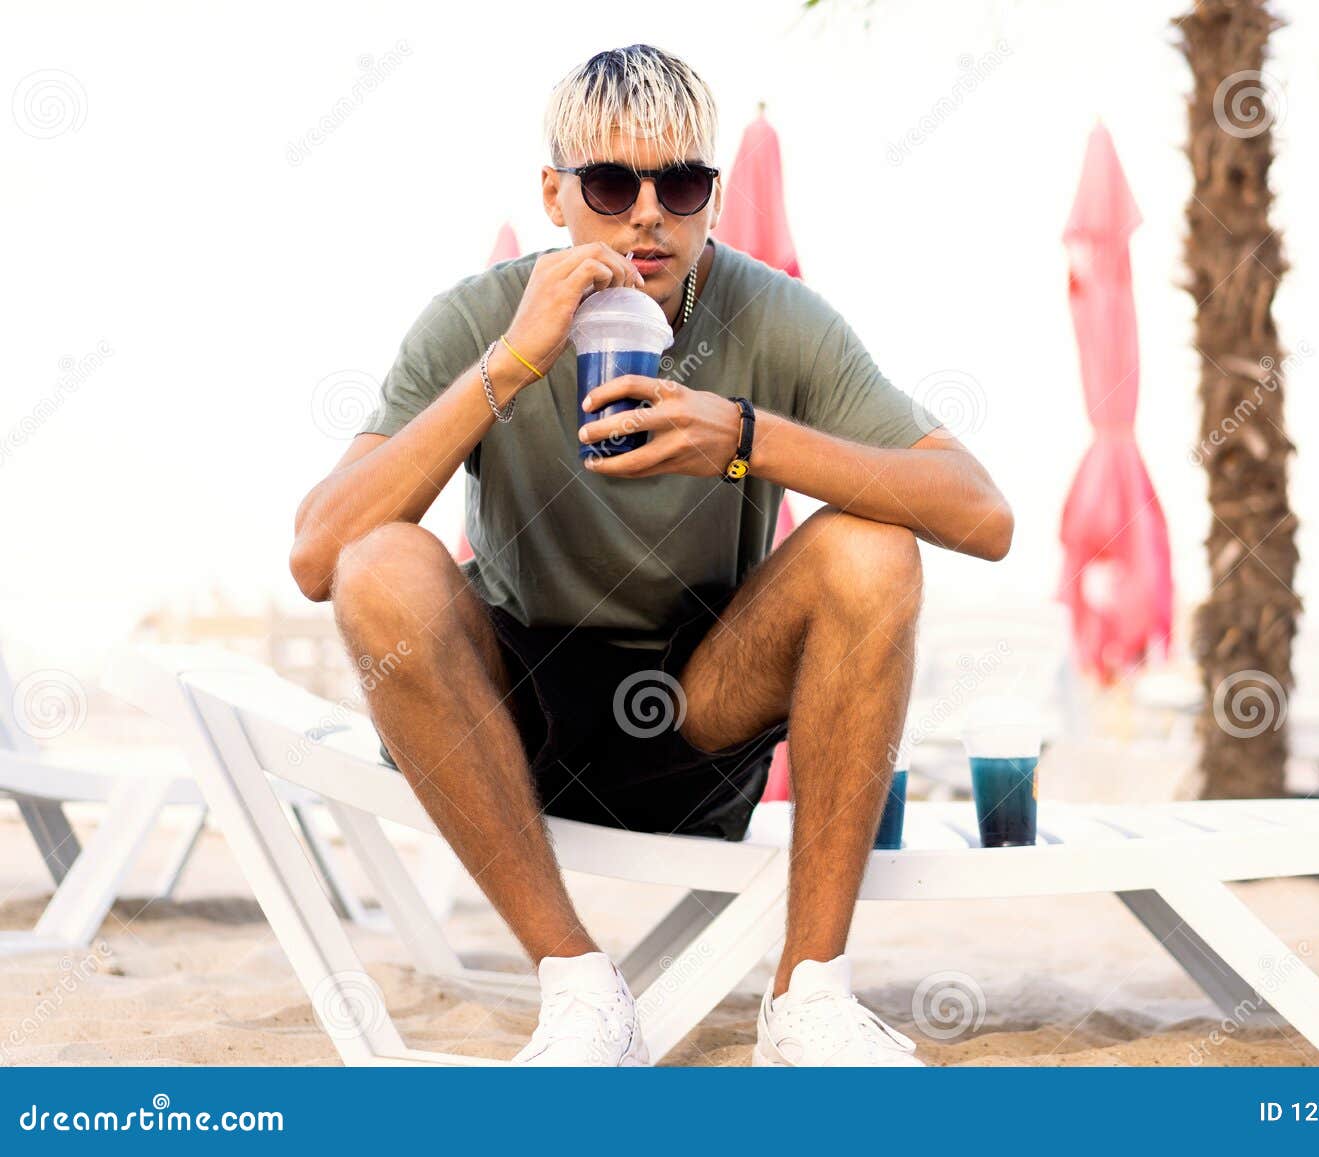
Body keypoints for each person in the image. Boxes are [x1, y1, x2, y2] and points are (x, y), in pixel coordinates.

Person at [289, 43, 1012, 1066]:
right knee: (381, 566)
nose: (646, 215)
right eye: (609, 183)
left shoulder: (771, 316)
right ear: (554, 194)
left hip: (701, 705)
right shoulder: (479, 317)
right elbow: (321, 553)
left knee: (872, 548)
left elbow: (982, 514)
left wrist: (746, 436)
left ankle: (807, 997)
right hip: (516, 713)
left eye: (679, 184)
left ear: (711, 197)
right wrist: (512, 362)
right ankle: (578, 985)